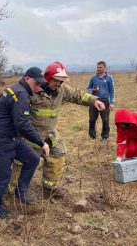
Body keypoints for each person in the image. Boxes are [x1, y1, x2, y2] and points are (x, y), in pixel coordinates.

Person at [8, 62, 105, 196]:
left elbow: (78, 95)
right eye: (56, 81)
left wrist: (94, 101)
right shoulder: (32, 89)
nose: (59, 84)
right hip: (30, 133)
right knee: (23, 161)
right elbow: (17, 113)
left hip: (50, 133)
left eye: (61, 82)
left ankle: (49, 188)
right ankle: (13, 190)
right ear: (47, 78)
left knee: (58, 153)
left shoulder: (62, 90)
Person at [0, 67, 50, 219]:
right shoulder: (22, 94)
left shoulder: (13, 88)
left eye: (41, 84)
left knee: (33, 159)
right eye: (36, 83)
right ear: (27, 78)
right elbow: (22, 123)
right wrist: (41, 142)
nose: (38, 86)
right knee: (3, 178)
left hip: (11, 139)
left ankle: (21, 192)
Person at [87, 61, 115, 141]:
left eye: (100, 67)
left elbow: (112, 91)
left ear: (104, 67)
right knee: (92, 119)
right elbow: (88, 90)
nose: (98, 69)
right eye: (97, 67)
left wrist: (112, 102)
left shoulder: (109, 78)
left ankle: (105, 137)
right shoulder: (93, 78)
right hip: (94, 101)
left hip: (105, 101)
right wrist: (93, 89)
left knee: (105, 119)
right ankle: (92, 136)